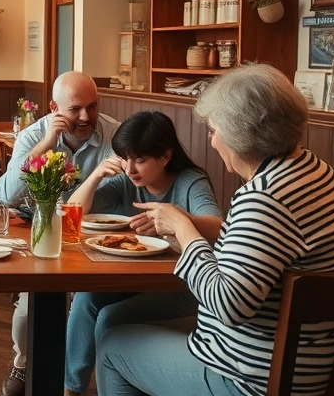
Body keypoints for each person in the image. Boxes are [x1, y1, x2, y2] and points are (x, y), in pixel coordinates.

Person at [97, 64, 334, 396]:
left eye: (215, 130)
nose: (213, 140)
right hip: (324, 364)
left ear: (241, 135)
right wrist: (184, 224)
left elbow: (229, 306)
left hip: (252, 376)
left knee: (112, 346)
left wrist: (184, 230)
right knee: (119, 321)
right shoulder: (320, 173)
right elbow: (252, 253)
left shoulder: (264, 198)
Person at [62, 111, 222, 396]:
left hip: (181, 287)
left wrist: (175, 218)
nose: (130, 168)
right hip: (134, 280)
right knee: (86, 299)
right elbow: (74, 211)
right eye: (124, 158)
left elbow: (218, 225)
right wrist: (96, 175)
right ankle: (72, 389)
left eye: (139, 159)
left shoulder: (190, 181)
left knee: (109, 317)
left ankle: (112, 386)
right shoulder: (127, 180)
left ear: (166, 156)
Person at [0, 71, 120, 396]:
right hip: (44, 234)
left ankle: (71, 379)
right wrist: (45, 145)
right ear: (53, 108)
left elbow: (119, 195)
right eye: (75, 109)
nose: (85, 117)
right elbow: (5, 195)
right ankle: (23, 363)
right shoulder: (34, 136)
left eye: (92, 107)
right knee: (29, 311)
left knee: (86, 309)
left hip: (93, 238)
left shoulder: (114, 135)